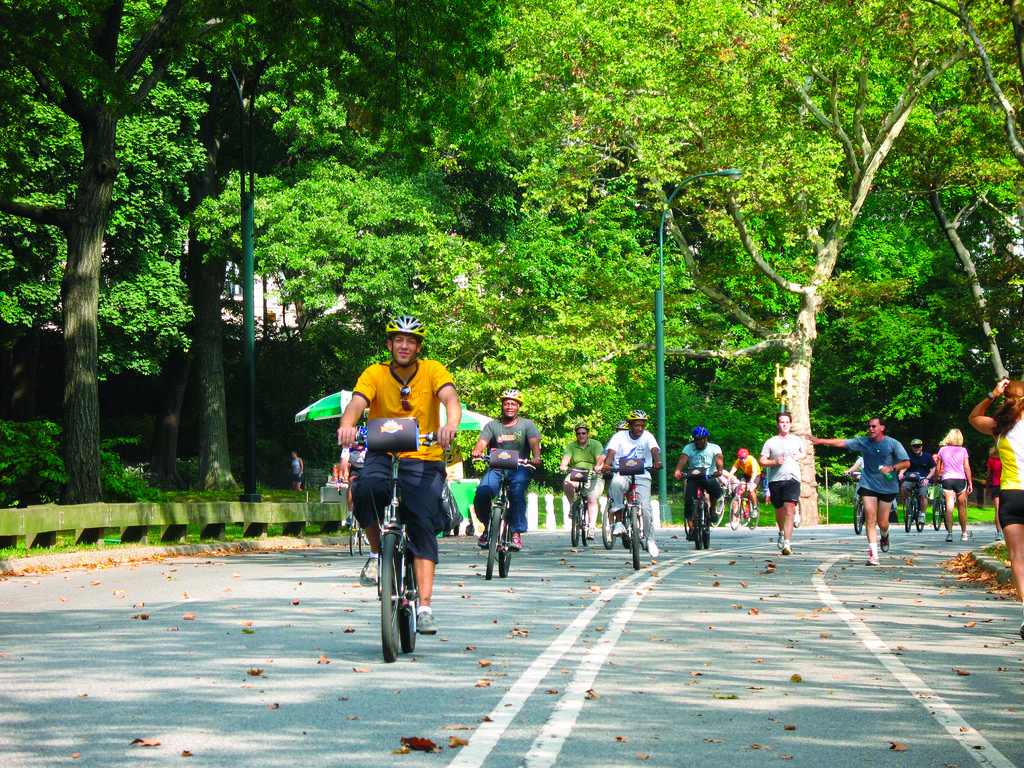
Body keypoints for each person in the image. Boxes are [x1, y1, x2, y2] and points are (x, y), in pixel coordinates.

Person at [337, 315, 461, 636]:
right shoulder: (375, 373)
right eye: (398, 340)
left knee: (421, 522)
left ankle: (425, 608)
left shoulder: (433, 370)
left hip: (424, 456)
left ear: (418, 347)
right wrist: (348, 425)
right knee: (365, 489)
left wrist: (450, 424)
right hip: (383, 452)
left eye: (411, 341)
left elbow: (450, 399)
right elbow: (357, 403)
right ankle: (379, 554)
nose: (404, 345)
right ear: (390, 344)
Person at [809, 416, 909, 566]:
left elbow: (906, 462)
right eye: (869, 426)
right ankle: (873, 555)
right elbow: (843, 442)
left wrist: (892, 468)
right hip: (868, 484)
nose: (871, 429)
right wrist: (820, 440)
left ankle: (884, 534)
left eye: (874, 426)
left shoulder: (893, 444)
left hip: (887, 486)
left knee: (882, 523)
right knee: (869, 517)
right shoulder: (864, 442)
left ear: (882, 428)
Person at [968, 378, 1024, 638]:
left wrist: (991, 394)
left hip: (1012, 496)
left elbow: (973, 417)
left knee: (1017, 558)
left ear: (1006, 399)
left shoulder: (999, 428)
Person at [471, 389, 542, 552]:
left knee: (516, 492)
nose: (509, 406)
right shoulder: (492, 425)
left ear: (518, 407)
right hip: (496, 468)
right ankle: (488, 526)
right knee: (482, 493)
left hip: (520, 468)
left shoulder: (527, 425)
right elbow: (482, 442)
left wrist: (536, 457)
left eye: (513, 403)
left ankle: (516, 532)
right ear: (502, 406)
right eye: (506, 403)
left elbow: (534, 444)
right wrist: (477, 450)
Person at [595, 410, 663, 558]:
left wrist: (658, 461)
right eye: (637, 425)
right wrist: (607, 465)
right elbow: (611, 453)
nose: (640, 429)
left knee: (645, 508)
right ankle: (619, 522)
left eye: (642, 425)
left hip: (642, 474)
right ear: (630, 425)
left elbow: (654, 450)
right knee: (616, 484)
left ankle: (649, 539)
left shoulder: (648, 436)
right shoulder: (619, 436)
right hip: (622, 472)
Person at [760, 412, 806, 556]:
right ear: (778, 424)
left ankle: (787, 543)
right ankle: (781, 531)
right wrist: (774, 462)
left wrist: (800, 456)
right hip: (776, 480)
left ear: (791, 424)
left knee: (789, 510)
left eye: (787, 422)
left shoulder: (797, 440)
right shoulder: (770, 442)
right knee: (779, 511)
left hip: (793, 479)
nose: (785, 424)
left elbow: (803, 453)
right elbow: (762, 460)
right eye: (782, 422)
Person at [673, 426, 724, 543]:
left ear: (706, 439)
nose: (699, 441)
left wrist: (719, 471)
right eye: (696, 439)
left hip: (708, 476)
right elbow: (682, 460)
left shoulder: (714, 448)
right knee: (688, 502)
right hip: (693, 477)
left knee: (715, 489)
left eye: (701, 439)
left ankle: (712, 508)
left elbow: (719, 461)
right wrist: (678, 471)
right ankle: (691, 528)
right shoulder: (688, 448)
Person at [558, 422, 605, 540]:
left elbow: (599, 460)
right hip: (577, 473)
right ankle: (572, 505)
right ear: (576, 435)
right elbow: (566, 458)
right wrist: (563, 465)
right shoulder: (571, 446)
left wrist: (598, 467)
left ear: (588, 434)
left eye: (584, 433)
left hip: (593, 475)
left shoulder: (596, 444)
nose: (581, 435)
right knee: (567, 482)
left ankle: (592, 527)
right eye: (579, 433)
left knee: (591, 499)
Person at [935, 429, 973, 543]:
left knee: (949, 506)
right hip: (960, 480)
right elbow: (967, 467)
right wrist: (970, 482)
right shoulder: (963, 450)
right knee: (961, 507)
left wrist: (936, 480)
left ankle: (950, 533)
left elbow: (938, 468)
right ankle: (964, 533)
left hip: (947, 479)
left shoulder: (942, 450)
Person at [898, 438, 936, 526]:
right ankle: (909, 506)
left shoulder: (928, 456)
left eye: (918, 446)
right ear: (912, 448)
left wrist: (927, 478)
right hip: (911, 478)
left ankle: (923, 514)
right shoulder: (909, 457)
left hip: (923, 479)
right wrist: (901, 473)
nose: (916, 448)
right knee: (904, 488)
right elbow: (905, 466)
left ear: (921, 447)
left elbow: (933, 469)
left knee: (923, 495)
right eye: (914, 447)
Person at [725, 447, 761, 519]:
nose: (743, 460)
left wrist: (751, 482)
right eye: (741, 458)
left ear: (747, 456)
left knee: (751, 490)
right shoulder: (739, 461)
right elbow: (733, 471)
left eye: (744, 458)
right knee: (741, 488)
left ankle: (755, 507)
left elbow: (754, 473)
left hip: (755, 475)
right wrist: (728, 481)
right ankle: (742, 504)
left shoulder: (751, 460)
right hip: (746, 474)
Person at [987, 446, 1003, 541]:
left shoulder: (991, 458)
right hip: (1006, 485)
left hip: (996, 485)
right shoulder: (1007, 456)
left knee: (997, 510)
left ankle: (999, 533)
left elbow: (989, 475)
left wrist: (988, 486)